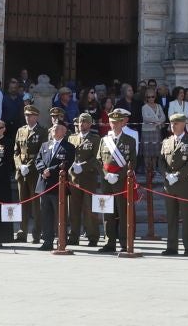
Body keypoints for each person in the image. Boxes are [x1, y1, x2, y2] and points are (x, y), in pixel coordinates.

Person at [157, 110, 188, 256]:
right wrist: (166, 174)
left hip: (185, 184)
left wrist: (178, 175)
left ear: (183, 124)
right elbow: (161, 161)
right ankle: (172, 246)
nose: (173, 126)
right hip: (169, 185)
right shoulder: (166, 142)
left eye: (176, 123)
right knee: (171, 217)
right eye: (171, 123)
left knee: (187, 217)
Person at [97, 108, 137, 253]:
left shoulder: (130, 141)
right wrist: (106, 174)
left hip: (122, 181)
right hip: (107, 181)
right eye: (112, 122)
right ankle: (109, 242)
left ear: (122, 123)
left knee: (123, 212)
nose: (114, 125)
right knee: (107, 213)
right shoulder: (104, 140)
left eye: (117, 122)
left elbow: (132, 161)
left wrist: (119, 175)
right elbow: (98, 160)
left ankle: (125, 242)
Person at [33, 118, 75, 250]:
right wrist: (42, 170)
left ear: (64, 132)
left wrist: (49, 170)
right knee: (46, 215)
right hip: (44, 184)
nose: (53, 130)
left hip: (58, 185)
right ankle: (47, 241)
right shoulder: (45, 145)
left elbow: (66, 163)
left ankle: (62, 240)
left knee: (60, 215)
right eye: (52, 128)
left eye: (56, 128)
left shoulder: (69, 147)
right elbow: (38, 159)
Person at [65, 111, 102, 247]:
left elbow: (97, 158)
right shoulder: (72, 138)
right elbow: (68, 155)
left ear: (90, 124)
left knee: (89, 209)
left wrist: (84, 166)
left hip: (88, 178)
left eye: (84, 121)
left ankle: (93, 237)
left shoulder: (95, 139)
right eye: (80, 122)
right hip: (73, 178)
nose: (81, 124)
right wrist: (71, 166)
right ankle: (73, 236)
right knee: (73, 210)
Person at [12, 103, 46, 244]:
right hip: (22, 171)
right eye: (26, 115)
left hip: (34, 172)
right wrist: (20, 165)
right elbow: (16, 152)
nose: (28, 118)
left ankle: (37, 234)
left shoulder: (42, 131)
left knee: (35, 205)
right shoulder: (21, 131)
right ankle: (22, 232)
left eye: (30, 115)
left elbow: (42, 152)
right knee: (22, 203)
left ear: (36, 116)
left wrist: (29, 166)